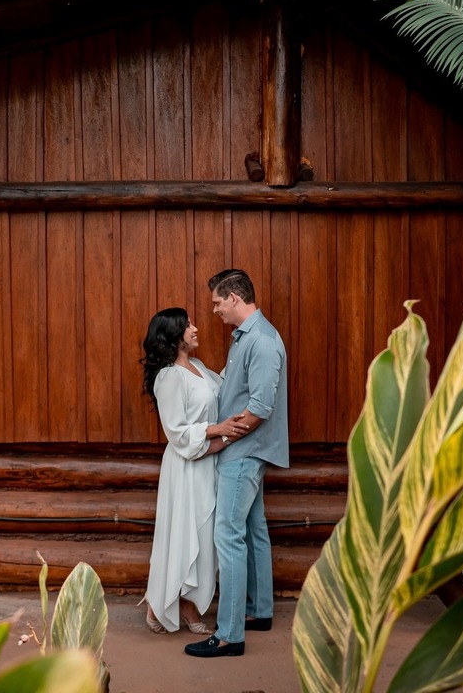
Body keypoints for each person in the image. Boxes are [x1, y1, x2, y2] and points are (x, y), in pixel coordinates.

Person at [185, 270, 289, 659]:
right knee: (252, 528)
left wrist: (220, 440)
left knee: (228, 534)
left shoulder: (260, 341)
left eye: (216, 302)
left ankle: (228, 635)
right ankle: (259, 612)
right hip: (249, 450)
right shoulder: (248, 336)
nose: (214, 310)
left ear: (233, 297)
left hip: (243, 452)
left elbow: (259, 408)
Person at [139, 307, 247, 634]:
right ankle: (169, 605)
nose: (196, 329)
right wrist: (218, 430)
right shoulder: (169, 377)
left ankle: (185, 604)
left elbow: (223, 388)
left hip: (206, 463)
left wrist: (243, 351)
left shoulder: (198, 367)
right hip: (185, 468)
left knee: (205, 535)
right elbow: (177, 431)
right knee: (187, 535)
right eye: (188, 327)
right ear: (174, 336)